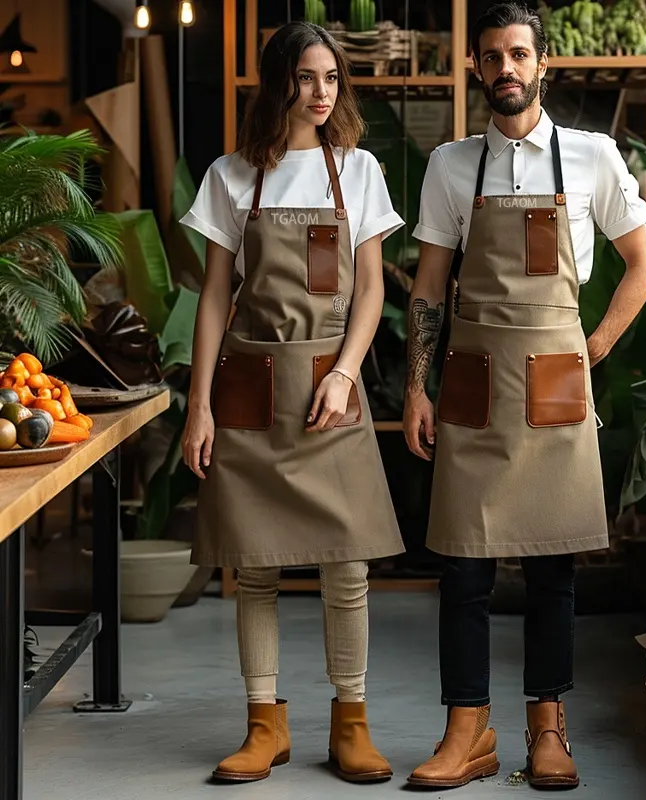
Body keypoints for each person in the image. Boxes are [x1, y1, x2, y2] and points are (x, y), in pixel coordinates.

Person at [402, 1, 646, 790]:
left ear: (542, 65)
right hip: (473, 385)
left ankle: (549, 729)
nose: (505, 68)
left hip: (555, 385)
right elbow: (431, 287)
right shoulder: (450, 165)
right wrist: (417, 384)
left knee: (553, 567)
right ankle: (466, 730)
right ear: (476, 69)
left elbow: (642, 264)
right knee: (464, 569)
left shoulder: (591, 158)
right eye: (491, 56)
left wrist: (596, 347)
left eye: (518, 54)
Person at [179, 21, 405, 786]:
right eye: (306, 78)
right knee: (257, 565)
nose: (320, 93)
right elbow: (215, 296)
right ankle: (263, 725)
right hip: (249, 390)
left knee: (347, 566)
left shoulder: (358, 168)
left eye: (332, 79)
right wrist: (199, 404)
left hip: (328, 392)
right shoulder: (232, 175)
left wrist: (345, 373)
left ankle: (352, 722)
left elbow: (371, 289)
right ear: (278, 83)